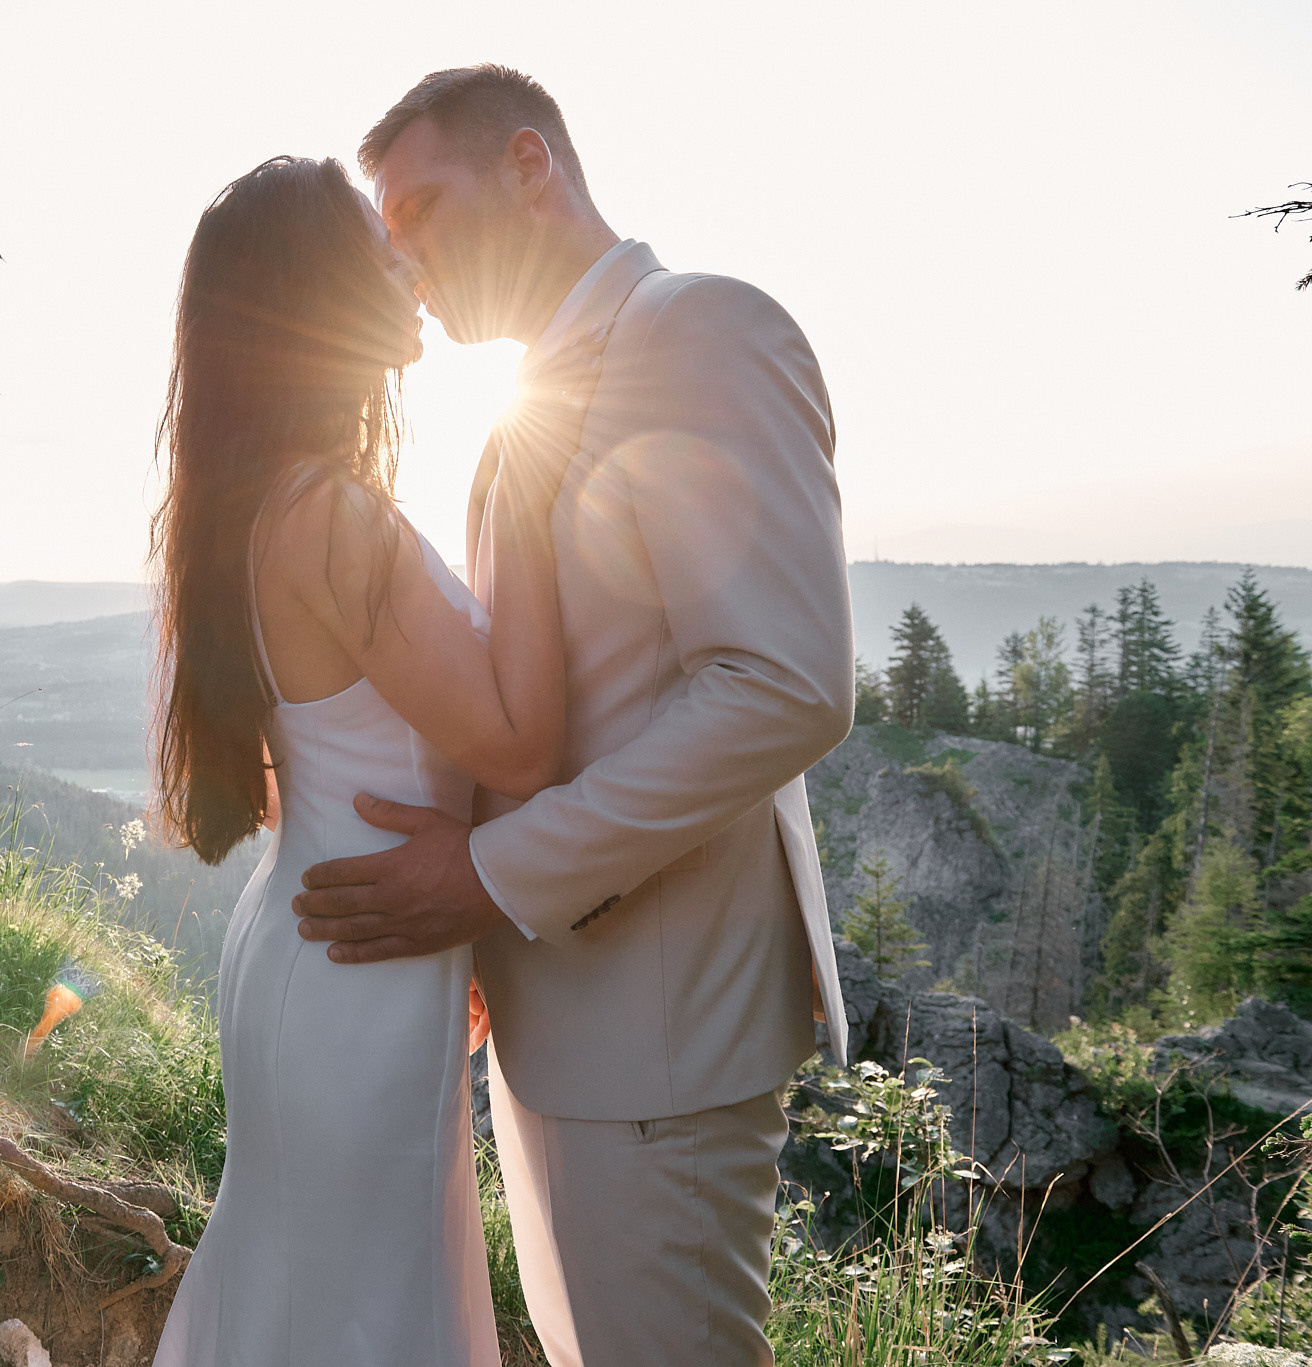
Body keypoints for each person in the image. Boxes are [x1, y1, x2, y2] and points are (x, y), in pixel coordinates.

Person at [289, 65, 857, 1366]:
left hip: (659, 1037)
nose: (407, 260)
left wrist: (491, 875)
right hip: (564, 1014)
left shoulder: (697, 329)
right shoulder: (542, 391)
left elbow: (786, 685)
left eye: (423, 208)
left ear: (531, 167)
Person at [147, 154, 575, 1367]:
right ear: (315, 291)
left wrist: (468, 913)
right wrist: (530, 473)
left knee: (317, 1289)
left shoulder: (269, 502)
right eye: (366, 238)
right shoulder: (328, 515)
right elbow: (520, 738)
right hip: (355, 962)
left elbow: (340, 753)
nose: (399, 254)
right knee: (349, 1308)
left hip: (336, 935)